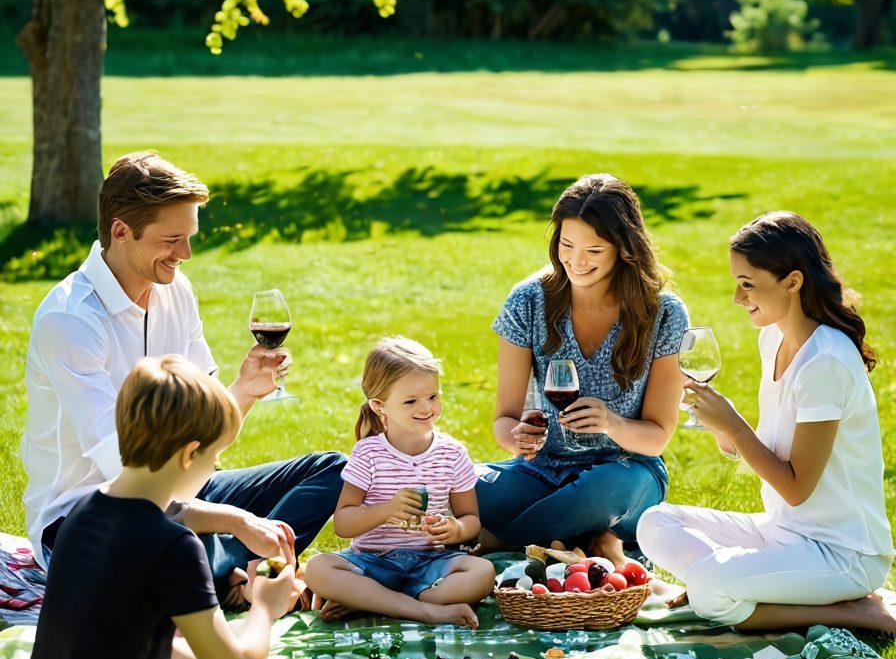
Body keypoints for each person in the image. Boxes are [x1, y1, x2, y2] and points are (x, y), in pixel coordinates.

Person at [22, 151, 345, 607]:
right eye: (173, 239)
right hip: (90, 520)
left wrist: (243, 392)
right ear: (120, 231)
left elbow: (203, 433)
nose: (186, 254)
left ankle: (232, 575)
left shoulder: (177, 291)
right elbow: (129, 482)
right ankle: (223, 574)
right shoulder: (69, 322)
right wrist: (234, 521)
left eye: (189, 237)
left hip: (180, 492)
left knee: (331, 470)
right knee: (174, 540)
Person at [21, 356, 335, 659]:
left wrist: (236, 521)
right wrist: (266, 606)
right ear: (190, 454)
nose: (214, 469)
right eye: (214, 459)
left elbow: (174, 511)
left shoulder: (84, 512)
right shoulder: (172, 547)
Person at [637, 212, 896, 633]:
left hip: (841, 552)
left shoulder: (825, 360)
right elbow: (770, 450)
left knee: (707, 586)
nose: (738, 298)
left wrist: (736, 425)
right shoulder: (773, 337)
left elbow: (796, 487)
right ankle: (741, 585)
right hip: (783, 531)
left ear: (792, 282)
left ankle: (854, 611)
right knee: (654, 522)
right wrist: (724, 429)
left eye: (747, 283)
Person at [476, 174, 689, 565]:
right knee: (456, 485)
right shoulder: (528, 300)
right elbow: (504, 421)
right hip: (544, 472)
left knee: (604, 490)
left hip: (627, 472)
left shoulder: (664, 313)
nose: (575, 260)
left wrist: (612, 423)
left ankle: (493, 539)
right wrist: (517, 439)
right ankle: (592, 538)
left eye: (593, 249)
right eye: (566, 244)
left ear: (624, 250)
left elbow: (657, 438)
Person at [304, 338, 495, 627]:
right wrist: (387, 510)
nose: (426, 408)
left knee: (483, 572)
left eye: (433, 396)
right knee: (317, 569)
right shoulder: (368, 453)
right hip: (372, 562)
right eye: (411, 401)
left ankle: (373, 601)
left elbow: (471, 521)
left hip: (430, 564)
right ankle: (423, 610)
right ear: (380, 406)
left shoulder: (452, 453)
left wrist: (453, 529)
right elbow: (343, 524)